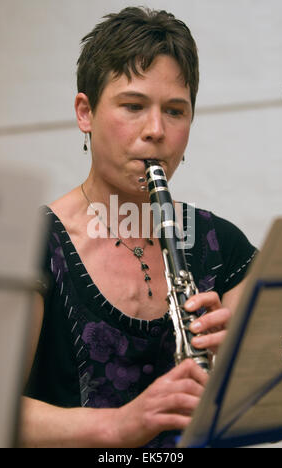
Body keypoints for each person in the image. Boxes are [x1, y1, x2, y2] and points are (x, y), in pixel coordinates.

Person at [20, 7, 257, 448]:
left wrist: (247, 372)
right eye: (133, 106)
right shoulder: (28, 245)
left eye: (175, 111)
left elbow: (273, 393)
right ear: (85, 112)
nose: (156, 131)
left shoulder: (221, 244)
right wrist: (119, 426)